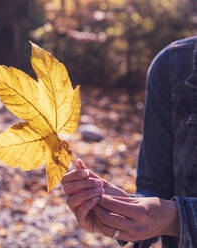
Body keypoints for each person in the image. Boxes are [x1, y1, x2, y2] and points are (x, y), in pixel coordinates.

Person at [62, 36, 197, 248]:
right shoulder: (173, 66)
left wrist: (176, 219)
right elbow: (154, 186)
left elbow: (167, 215)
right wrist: (125, 211)